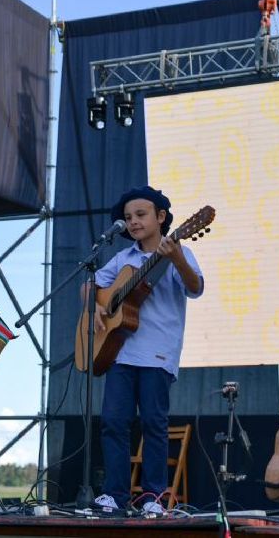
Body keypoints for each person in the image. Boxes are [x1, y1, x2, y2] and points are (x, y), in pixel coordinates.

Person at [89, 185, 204, 515]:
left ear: (161, 217)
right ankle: (115, 495)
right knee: (113, 422)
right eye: (128, 217)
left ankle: (154, 497)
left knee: (154, 423)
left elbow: (195, 288)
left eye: (141, 214)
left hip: (158, 353)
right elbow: (91, 285)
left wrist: (176, 257)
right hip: (120, 352)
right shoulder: (123, 258)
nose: (133, 222)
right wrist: (95, 306)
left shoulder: (180, 250)